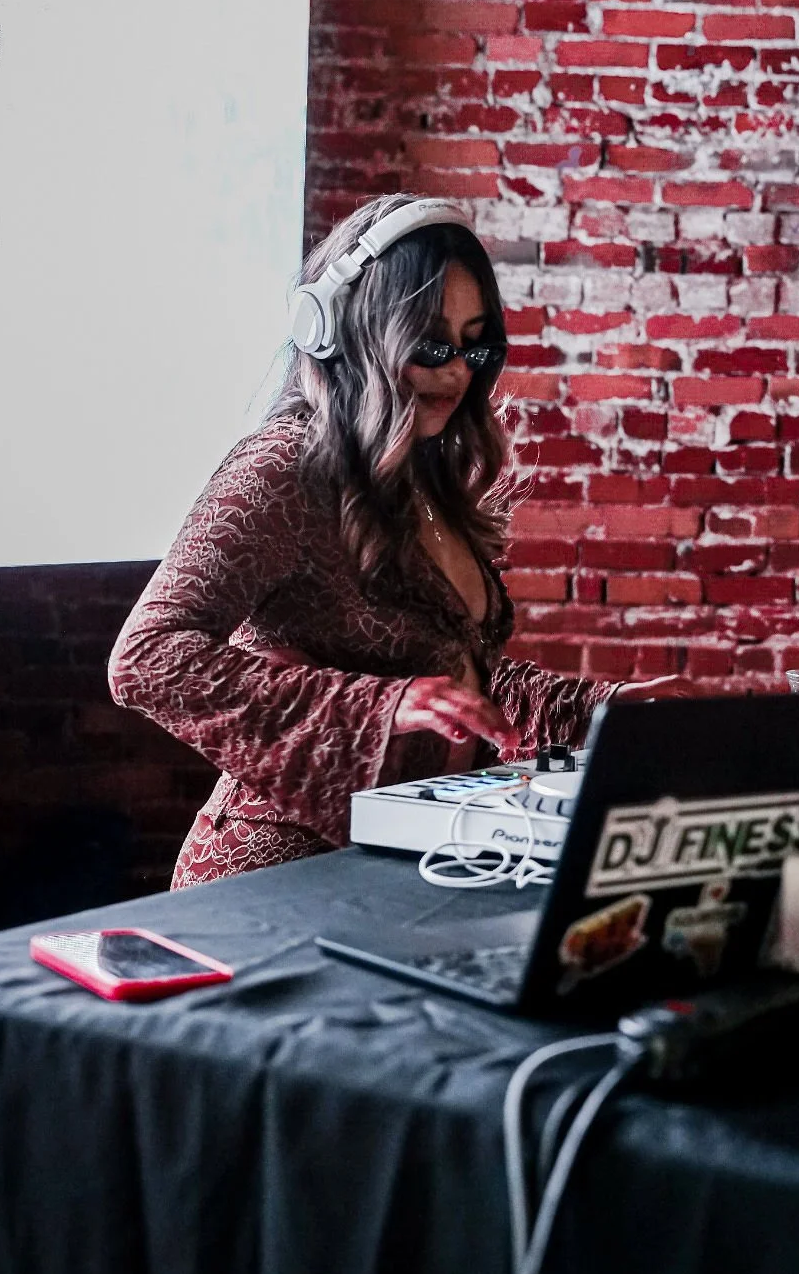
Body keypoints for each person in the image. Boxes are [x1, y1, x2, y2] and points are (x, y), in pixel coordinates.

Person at [108, 194, 688, 887]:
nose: (458, 371)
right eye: (431, 344)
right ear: (347, 333)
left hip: (403, 857)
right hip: (278, 874)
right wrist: (384, 704)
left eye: (475, 345)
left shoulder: (423, 473)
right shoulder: (283, 467)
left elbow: (452, 681)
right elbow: (145, 659)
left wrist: (605, 712)